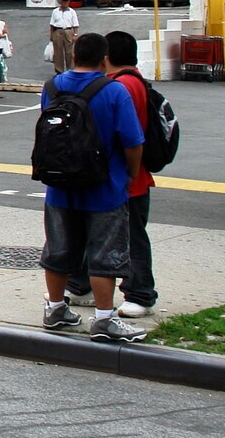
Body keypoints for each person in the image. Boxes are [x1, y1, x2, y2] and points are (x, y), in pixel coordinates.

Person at [37, 31, 147, 343]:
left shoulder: (51, 87)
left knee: (58, 249)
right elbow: (133, 141)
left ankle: (55, 308)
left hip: (59, 183)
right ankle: (103, 319)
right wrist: (130, 174)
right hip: (104, 186)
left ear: (73, 56)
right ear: (103, 59)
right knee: (105, 253)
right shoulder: (114, 91)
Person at [64, 31, 157, 317]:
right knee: (95, 234)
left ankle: (139, 292)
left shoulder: (122, 87)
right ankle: (81, 284)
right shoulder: (130, 82)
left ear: (107, 58)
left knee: (127, 239)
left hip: (124, 179)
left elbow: (128, 138)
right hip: (120, 177)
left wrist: (127, 174)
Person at [48, 0, 80, 72]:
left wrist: (75, 34)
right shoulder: (55, 11)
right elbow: (52, 24)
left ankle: (70, 70)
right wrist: (51, 35)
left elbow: (75, 24)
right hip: (57, 30)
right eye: (63, 1)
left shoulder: (72, 12)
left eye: (66, 1)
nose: (65, 3)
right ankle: (59, 70)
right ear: (60, 2)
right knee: (58, 52)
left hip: (68, 30)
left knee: (69, 52)